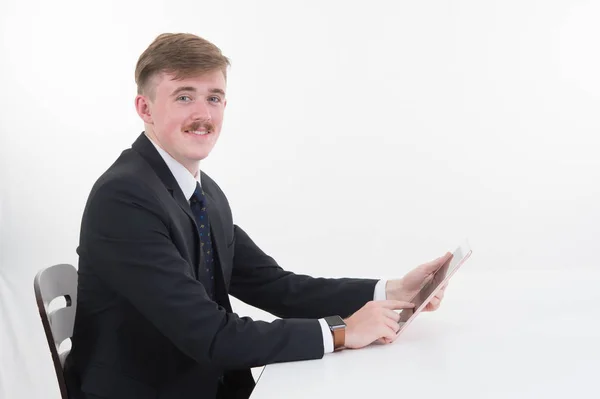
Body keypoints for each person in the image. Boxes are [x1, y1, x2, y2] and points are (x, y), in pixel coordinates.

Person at [63, 32, 452, 399]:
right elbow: (210, 336)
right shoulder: (124, 199)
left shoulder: (203, 192)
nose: (203, 114)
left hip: (210, 384)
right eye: (184, 97)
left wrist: (394, 291)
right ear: (144, 108)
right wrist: (340, 332)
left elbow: (275, 286)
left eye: (214, 98)